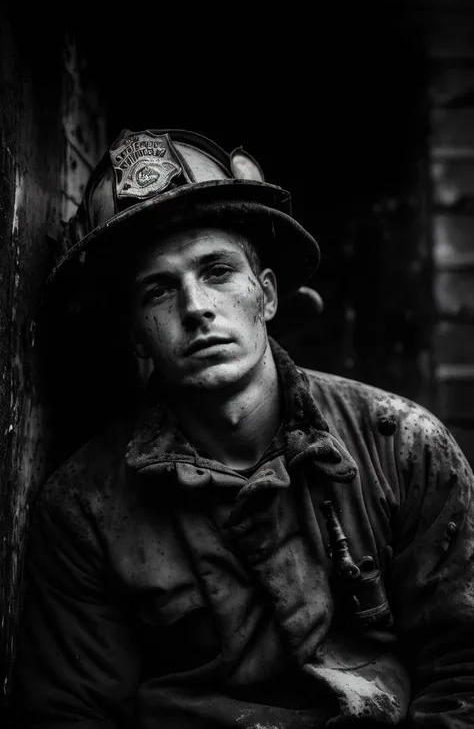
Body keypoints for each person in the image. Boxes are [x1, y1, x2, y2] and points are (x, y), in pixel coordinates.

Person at [11, 128, 474, 728]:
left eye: (217, 271)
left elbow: (463, 671)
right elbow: (70, 715)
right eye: (158, 288)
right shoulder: (85, 508)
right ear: (135, 333)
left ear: (267, 295)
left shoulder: (402, 446)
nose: (196, 307)